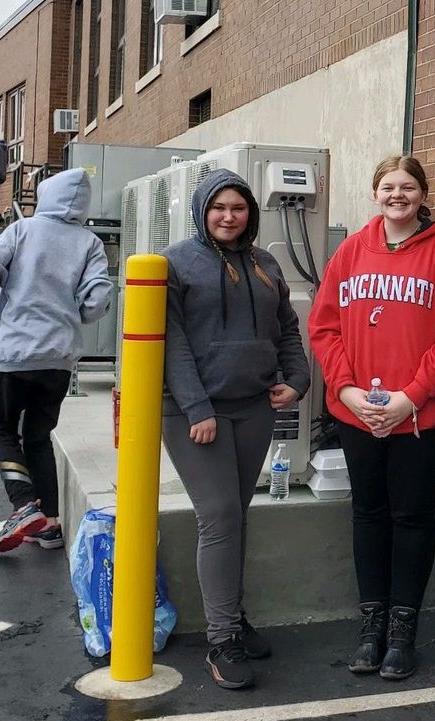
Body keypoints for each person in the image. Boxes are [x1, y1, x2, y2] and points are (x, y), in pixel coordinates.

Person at [308, 155, 435, 681]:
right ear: (375, 193)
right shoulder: (351, 251)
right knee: (368, 514)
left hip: (421, 416)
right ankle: (371, 623)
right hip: (357, 413)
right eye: (387, 187)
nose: (397, 195)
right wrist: (347, 390)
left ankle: (404, 628)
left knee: (413, 516)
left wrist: (411, 398)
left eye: (407, 187)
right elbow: (325, 327)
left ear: (423, 194)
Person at [161, 168, 310, 690]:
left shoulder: (265, 263)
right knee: (219, 516)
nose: (228, 216)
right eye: (219, 207)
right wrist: (197, 407)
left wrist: (298, 378)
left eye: (238, 208)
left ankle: (232, 618)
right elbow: (171, 341)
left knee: (236, 516)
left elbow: (286, 327)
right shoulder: (175, 263)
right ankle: (222, 639)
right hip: (193, 413)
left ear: (251, 212)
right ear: (203, 210)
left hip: (254, 408)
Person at [0, 168, 112, 553]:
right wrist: (70, 314)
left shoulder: (22, 230)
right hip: (58, 359)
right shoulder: (89, 242)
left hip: (12, 355)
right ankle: (51, 525)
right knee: (38, 437)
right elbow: (96, 301)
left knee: (1, 432)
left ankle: (24, 505)